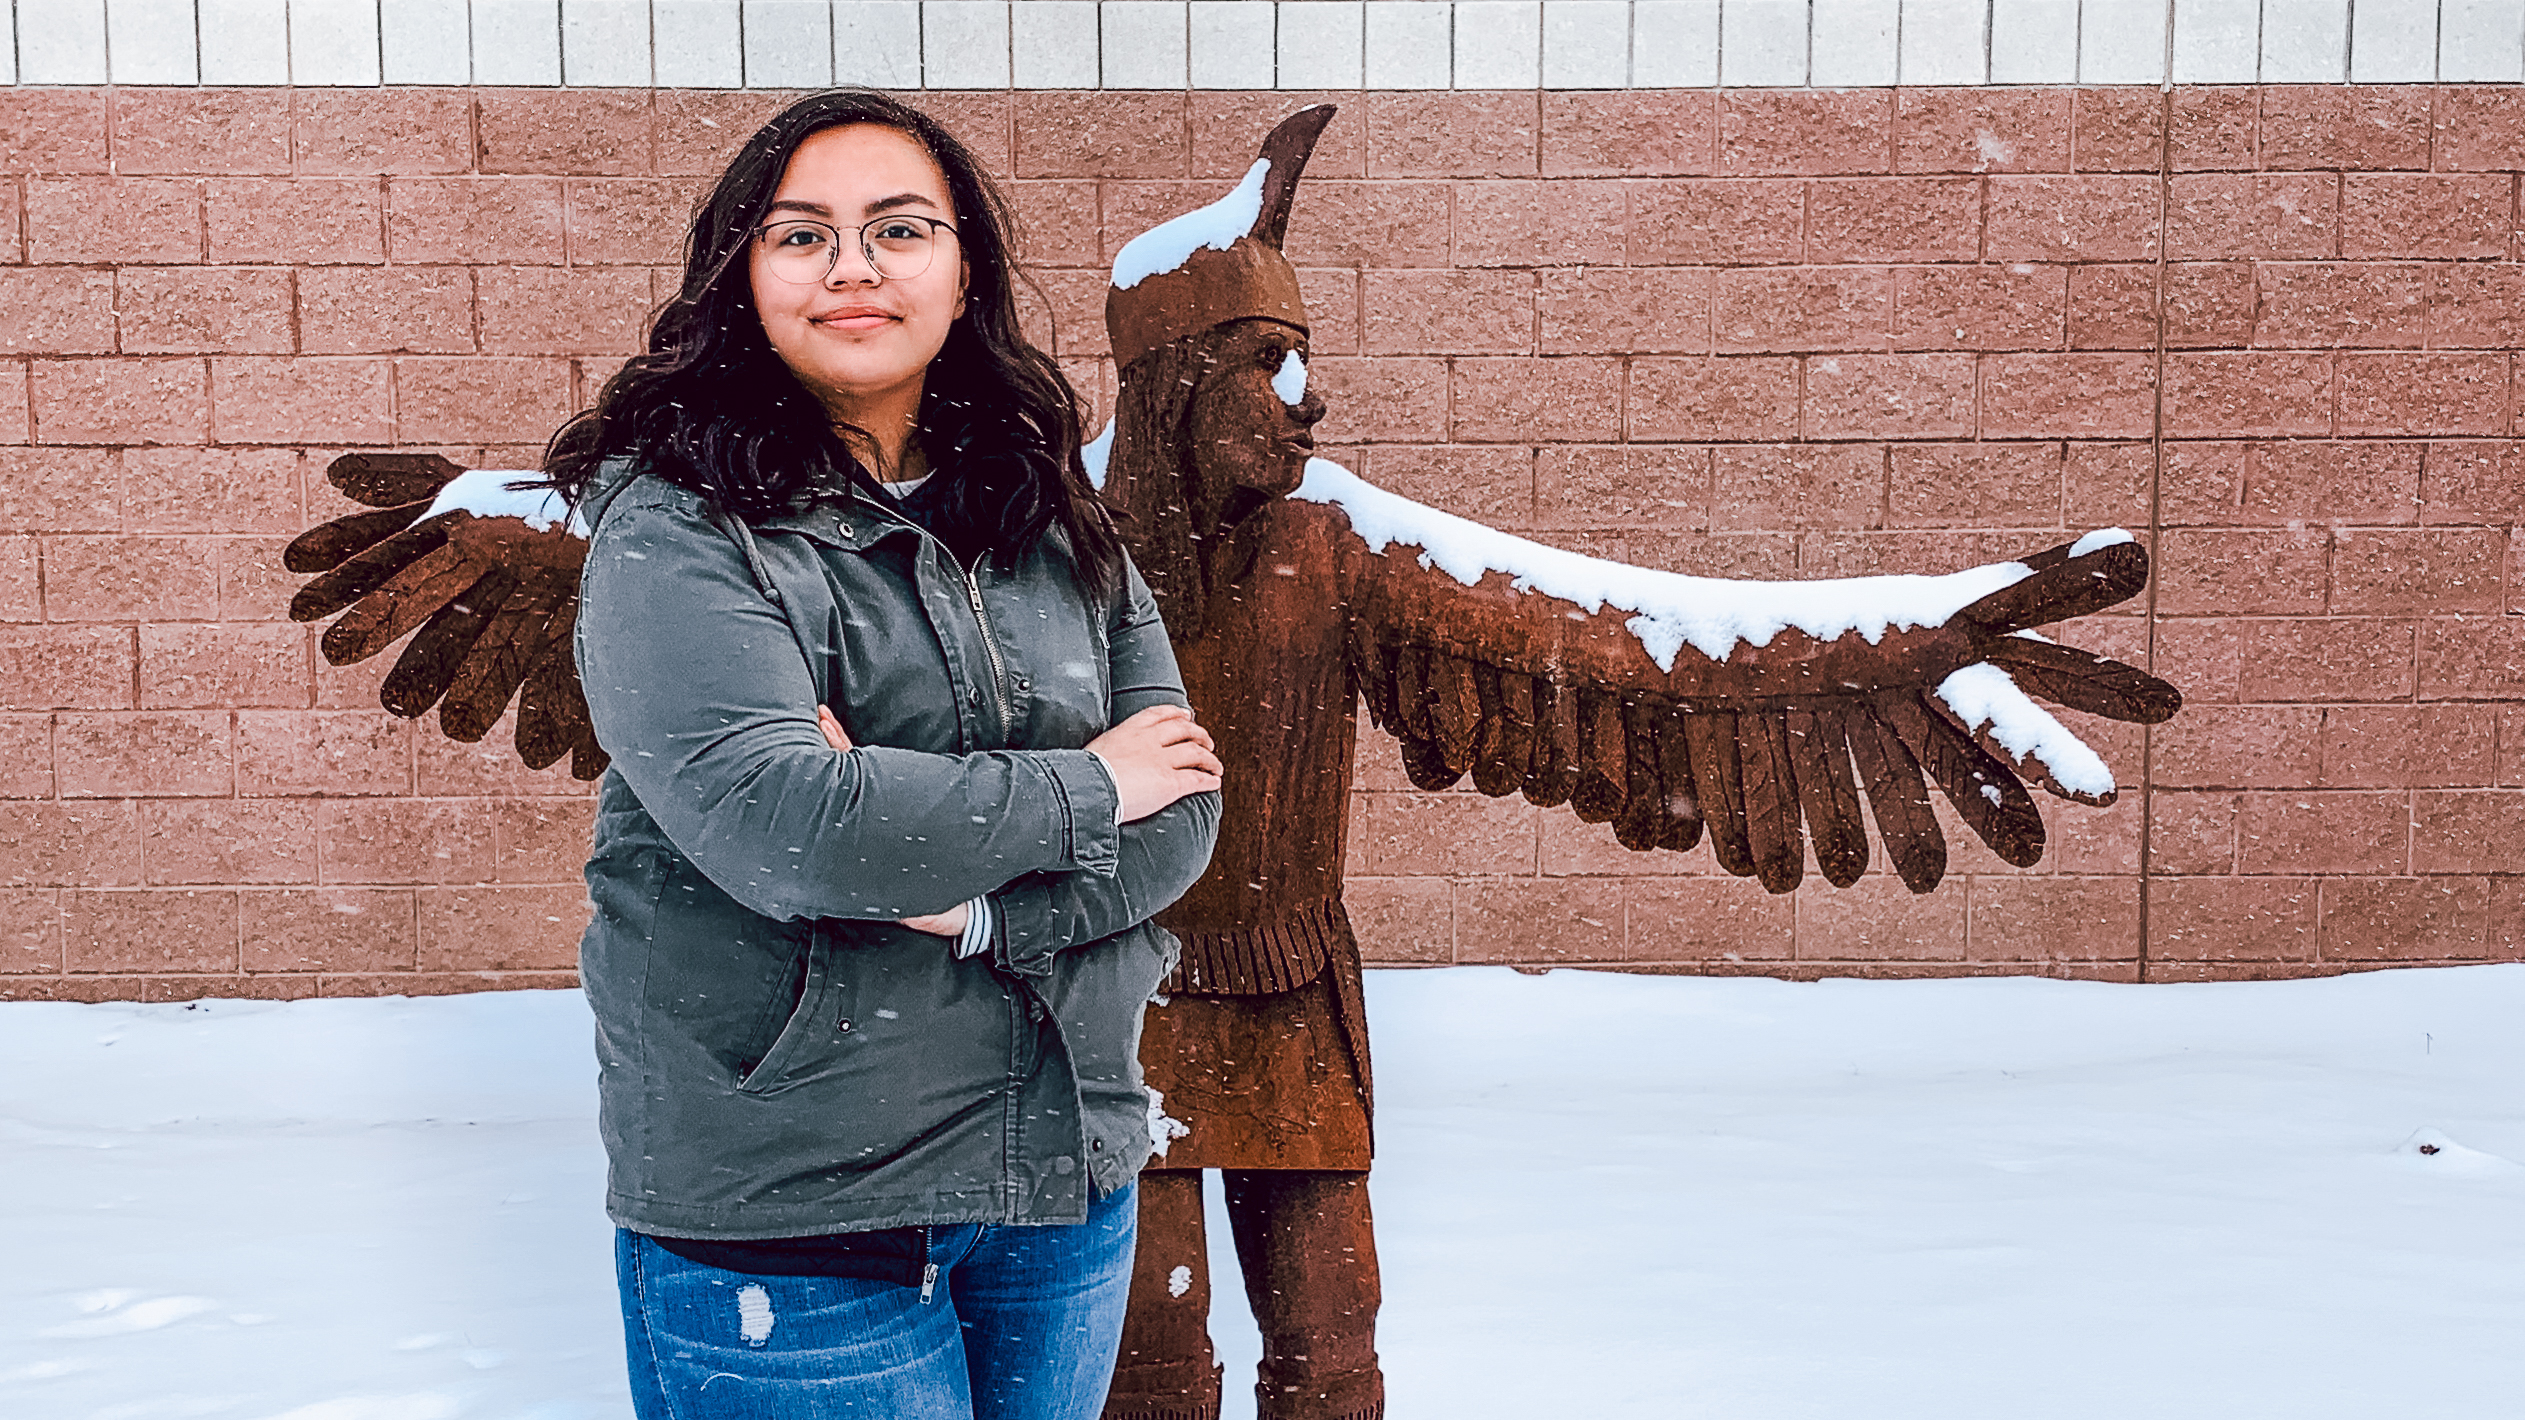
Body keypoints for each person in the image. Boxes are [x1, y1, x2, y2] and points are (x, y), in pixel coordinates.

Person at [541, 90, 1224, 1420]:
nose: (853, 268)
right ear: (740, 275)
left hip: (1055, 1179)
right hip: (796, 1212)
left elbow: (1185, 808)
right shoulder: (678, 528)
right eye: (801, 236)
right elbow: (782, 821)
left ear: (964, 265)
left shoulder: (1042, 504)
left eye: (899, 229)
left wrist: (959, 899)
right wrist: (1087, 786)